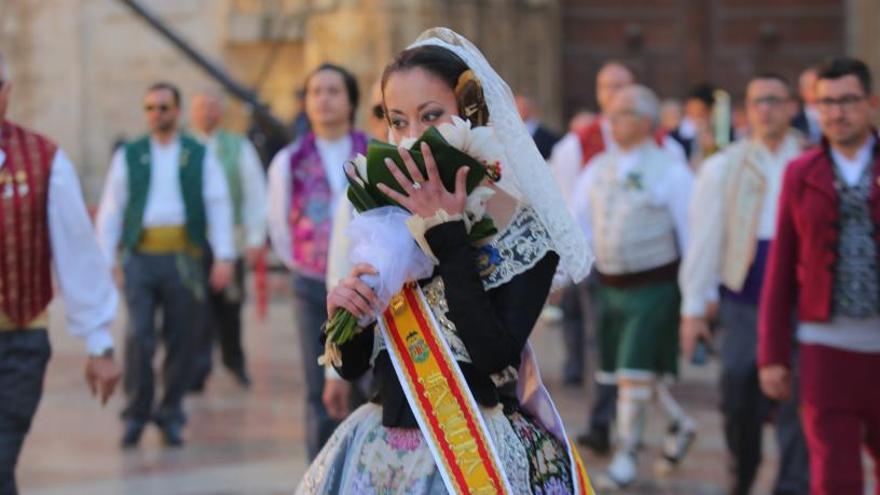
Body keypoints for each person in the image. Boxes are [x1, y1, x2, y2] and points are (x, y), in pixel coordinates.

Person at [297, 27, 595, 494]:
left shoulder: (522, 228)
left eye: (431, 117)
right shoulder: (381, 212)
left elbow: (494, 357)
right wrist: (346, 314)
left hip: (471, 450)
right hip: (377, 451)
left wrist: (449, 237)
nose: (412, 138)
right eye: (397, 121)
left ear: (470, 114)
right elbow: (358, 366)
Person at [679, 74, 809, 495]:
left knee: (801, 399)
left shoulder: (808, 160)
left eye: (775, 100)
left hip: (803, 300)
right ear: (747, 111)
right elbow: (704, 238)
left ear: (791, 106)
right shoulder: (724, 166)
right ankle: (743, 474)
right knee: (738, 392)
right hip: (745, 298)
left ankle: (792, 484)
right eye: (758, 102)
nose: (766, 109)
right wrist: (694, 307)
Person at [0, 52, 122, 495]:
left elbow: (78, 255)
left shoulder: (44, 160)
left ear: (7, 92)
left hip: (17, 343)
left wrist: (99, 343)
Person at [759, 57, 880, 495]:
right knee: (834, 474)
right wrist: (772, 353)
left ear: (870, 103)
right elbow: (781, 269)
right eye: (825, 103)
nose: (835, 113)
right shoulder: (801, 173)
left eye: (847, 101)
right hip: (825, 348)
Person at [96, 82, 235, 448]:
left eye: (164, 107)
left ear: (177, 110)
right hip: (141, 256)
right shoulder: (130, 154)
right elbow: (112, 207)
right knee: (138, 335)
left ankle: (170, 412)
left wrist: (224, 256)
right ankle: (136, 412)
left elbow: (218, 204)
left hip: (184, 257)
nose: (157, 113)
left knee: (182, 337)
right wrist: (107, 256)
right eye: (151, 108)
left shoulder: (197, 153)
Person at [572, 84, 696, 489]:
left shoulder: (672, 171)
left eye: (622, 113)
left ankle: (627, 454)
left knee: (633, 372)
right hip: (609, 286)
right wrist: (565, 276)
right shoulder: (596, 169)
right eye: (610, 113)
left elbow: (691, 235)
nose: (611, 120)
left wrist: (698, 299)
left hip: (653, 286)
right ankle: (680, 423)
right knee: (626, 372)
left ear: (645, 121)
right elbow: (578, 227)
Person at [267, 64, 368, 460]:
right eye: (316, 92)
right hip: (312, 285)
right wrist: (305, 264)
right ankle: (322, 472)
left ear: (350, 101)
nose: (324, 99)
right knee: (320, 381)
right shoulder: (289, 159)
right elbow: (278, 224)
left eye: (333, 91)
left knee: (368, 380)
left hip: (368, 285)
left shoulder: (371, 153)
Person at [188, 89, 268, 390]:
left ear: (219, 113)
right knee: (195, 308)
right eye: (201, 107)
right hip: (193, 242)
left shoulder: (238, 147)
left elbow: (254, 192)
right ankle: (196, 369)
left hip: (231, 240)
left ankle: (234, 360)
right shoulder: (183, 147)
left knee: (230, 305)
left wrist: (255, 237)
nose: (207, 113)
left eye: (212, 107)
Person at [516, 93, 560, 159]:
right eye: (518, 107)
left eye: (524, 107)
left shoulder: (548, 136)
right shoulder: (509, 133)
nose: (521, 111)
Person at [791, 65, 822, 144]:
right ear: (802, 91)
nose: (818, 91)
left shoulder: (836, 116)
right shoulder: (792, 122)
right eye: (814, 87)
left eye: (820, 86)